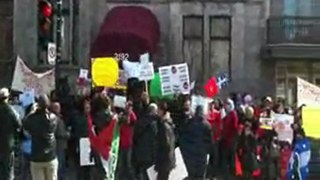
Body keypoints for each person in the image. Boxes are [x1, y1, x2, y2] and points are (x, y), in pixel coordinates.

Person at [23, 94, 59, 180]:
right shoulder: (53, 118)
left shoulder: (33, 119)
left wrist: (32, 111)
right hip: (50, 156)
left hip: (37, 156)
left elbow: (24, 123)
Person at [180, 105, 212, 180]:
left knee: (192, 174)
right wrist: (208, 150)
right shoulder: (207, 125)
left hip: (191, 154)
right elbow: (210, 140)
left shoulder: (190, 122)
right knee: (200, 175)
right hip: (201, 154)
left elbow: (184, 136)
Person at [0, 88, 21, 180]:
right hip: (7, 145)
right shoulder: (10, 110)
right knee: (8, 170)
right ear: (7, 97)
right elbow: (18, 124)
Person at [133, 103, 158, 180]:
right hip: (151, 154)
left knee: (144, 174)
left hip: (141, 154)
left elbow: (135, 136)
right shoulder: (155, 123)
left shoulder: (140, 121)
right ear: (154, 111)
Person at [155, 102, 176, 180]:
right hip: (168, 159)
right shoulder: (168, 122)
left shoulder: (164, 126)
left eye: (158, 109)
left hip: (164, 160)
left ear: (162, 111)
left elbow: (166, 143)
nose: (157, 111)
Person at [116, 101, 137, 180]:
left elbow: (131, 121)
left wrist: (129, 112)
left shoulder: (132, 116)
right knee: (120, 164)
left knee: (128, 164)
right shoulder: (122, 115)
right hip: (121, 143)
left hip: (128, 144)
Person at [51, 102, 70, 180]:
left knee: (62, 164)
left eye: (58, 107)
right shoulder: (55, 119)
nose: (58, 109)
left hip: (62, 145)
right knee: (60, 165)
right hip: (58, 145)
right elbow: (57, 132)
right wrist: (67, 134)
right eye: (56, 107)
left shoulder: (60, 118)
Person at [221, 98, 239, 178]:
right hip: (225, 139)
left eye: (228, 104)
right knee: (226, 157)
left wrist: (232, 138)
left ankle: (233, 174)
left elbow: (235, 127)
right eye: (226, 104)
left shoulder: (233, 114)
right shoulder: (227, 114)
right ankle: (226, 173)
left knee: (231, 157)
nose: (226, 106)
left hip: (231, 140)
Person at [207, 101, 222, 179]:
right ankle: (208, 172)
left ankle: (214, 173)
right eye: (210, 104)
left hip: (215, 138)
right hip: (208, 139)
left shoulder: (217, 113)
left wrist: (218, 135)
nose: (211, 106)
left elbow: (219, 125)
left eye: (212, 104)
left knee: (215, 156)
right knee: (208, 157)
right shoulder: (206, 114)